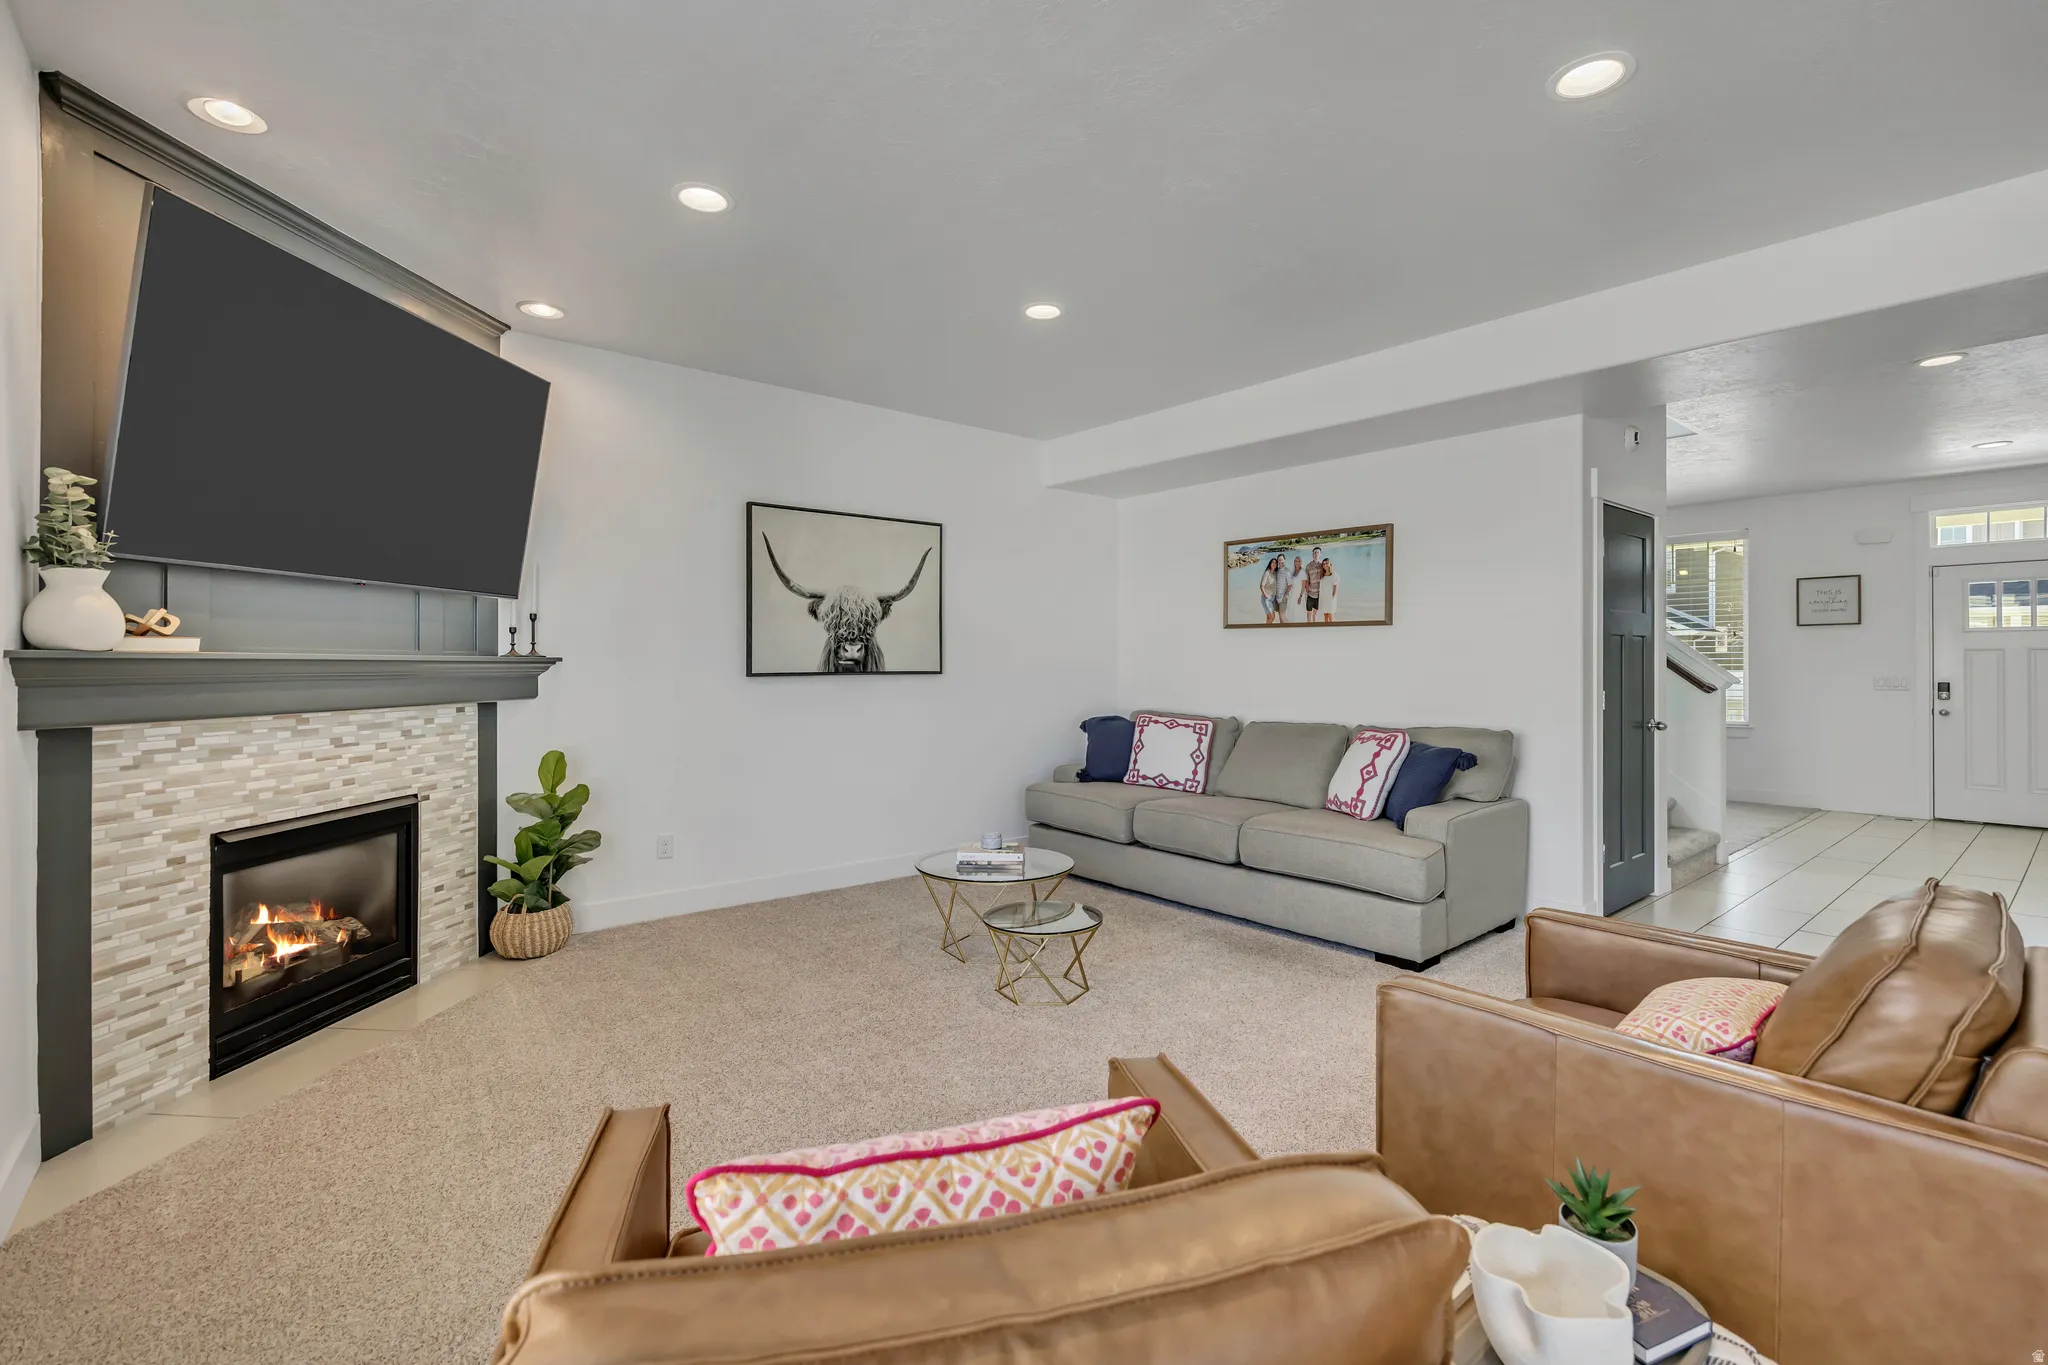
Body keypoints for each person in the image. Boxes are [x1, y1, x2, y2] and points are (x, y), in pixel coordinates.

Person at [1302, 548, 1327, 623]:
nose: (1316, 554)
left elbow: (1328, 575)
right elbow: (1307, 580)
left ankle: (1314, 627)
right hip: (1310, 593)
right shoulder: (1308, 566)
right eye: (1314, 553)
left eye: (1317, 553)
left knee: (1315, 613)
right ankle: (1309, 626)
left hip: (1319, 594)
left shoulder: (1322, 565)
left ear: (1320, 554)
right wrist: (1306, 593)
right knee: (1309, 612)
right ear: (1312, 555)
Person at [1258, 555, 1284, 624]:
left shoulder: (1275, 573)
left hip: (1273, 598)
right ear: (1270, 564)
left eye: (1275, 563)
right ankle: (1265, 631)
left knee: (1269, 617)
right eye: (1272, 562)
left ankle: (1267, 631)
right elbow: (1261, 586)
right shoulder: (1267, 572)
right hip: (1267, 598)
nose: (1274, 564)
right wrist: (1266, 595)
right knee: (1272, 617)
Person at [1319, 554, 1339, 622]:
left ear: (1330, 564)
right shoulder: (1322, 575)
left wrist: (1332, 596)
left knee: (1331, 615)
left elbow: (1335, 586)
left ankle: (1333, 629)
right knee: (1325, 614)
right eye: (1323, 564)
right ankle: (1326, 629)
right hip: (1324, 597)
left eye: (1326, 563)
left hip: (1330, 597)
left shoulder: (1334, 575)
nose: (1325, 565)